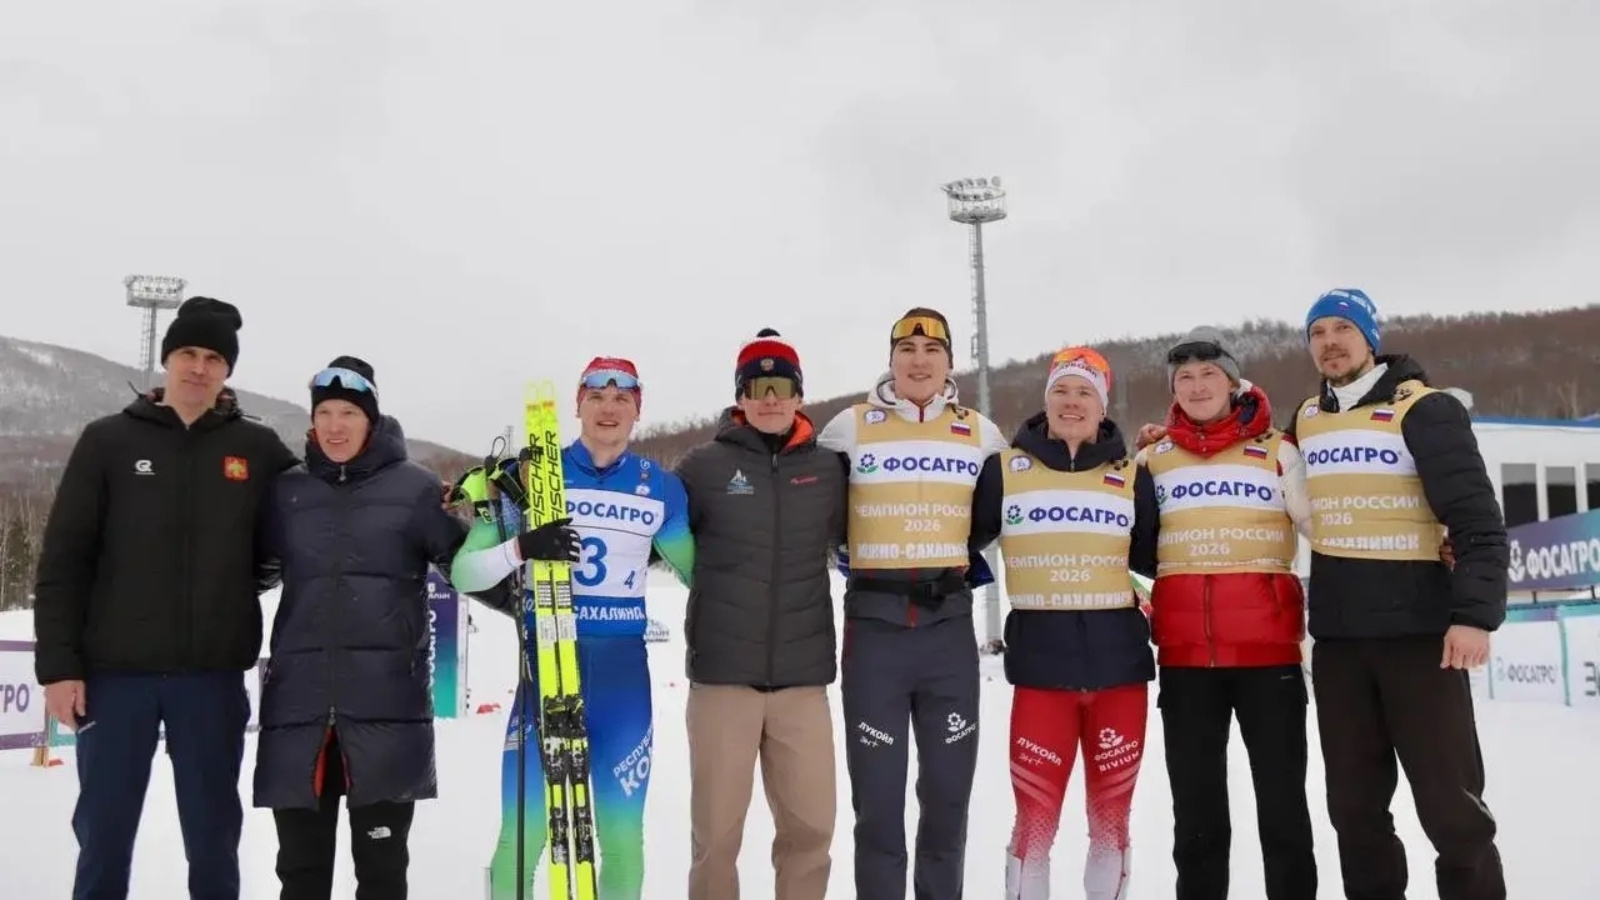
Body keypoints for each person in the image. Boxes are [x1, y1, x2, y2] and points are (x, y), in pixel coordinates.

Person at [32, 296, 297, 900]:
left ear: (227, 370)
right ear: (167, 359)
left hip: (210, 680)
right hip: (114, 678)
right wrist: (59, 668)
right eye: (188, 353)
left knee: (213, 837)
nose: (198, 368)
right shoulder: (107, 441)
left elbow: (320, 508)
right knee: (104, 835)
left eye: (213, 358)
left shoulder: (257, 450)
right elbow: (64, 562)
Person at [251, 357, 510, 899]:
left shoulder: (416, 490)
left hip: (386, 713)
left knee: (382, 876)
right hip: (299, 715)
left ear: (370, 418)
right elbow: (249, 575)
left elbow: (469, 569)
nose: (335, 425)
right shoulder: (287, 494)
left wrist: (531, 601)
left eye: (348, 412)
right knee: (299, 877)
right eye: (324, 412)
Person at [1289, 288, 1508, 900]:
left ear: (1370, 337)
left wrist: (1474, 615)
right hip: (1340, 644)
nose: (1329, 343)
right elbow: (1254, 461)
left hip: (1420, 639)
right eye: (1317, 333)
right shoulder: (1306, 418)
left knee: (1452, 811)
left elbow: (1477, 519)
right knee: (1354, 811)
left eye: (1342, 329)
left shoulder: (1426, 408)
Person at [450, 356, 695, 900]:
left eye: (622, 398)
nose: (609, 408)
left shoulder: (662, 488)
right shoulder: (531, 477)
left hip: (621, 684)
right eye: (597, 397)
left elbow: (697, 572)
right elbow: (465, 574)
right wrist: (520, 547)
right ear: (577, 405)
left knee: (623, 841)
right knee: (522, 837)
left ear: (637, 410)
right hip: (547, 671)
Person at [816, 308, 1009, 900]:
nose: (919, 362)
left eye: (932, 351)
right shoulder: (849, 428)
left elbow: (992, 516)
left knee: (948, 800)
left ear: (950, 362)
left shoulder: (981, 433)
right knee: (877, 806)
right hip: (875, 632)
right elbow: (814, 503)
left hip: (947, 632)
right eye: (908, 350)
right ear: (891, 360)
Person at [1133, 328, 1318, 900]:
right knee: (1197, 818)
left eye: (1208, 375)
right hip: (1186, 662)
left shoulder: (1278, 450)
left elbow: (1324, 526)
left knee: (1283, 810)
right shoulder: (1152, 459)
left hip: (1270, 659)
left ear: (1234, 382)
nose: (1196, 387)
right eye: (1184, 378)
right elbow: (1123, 544)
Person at [969, 347, 1159, 900]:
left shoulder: (1132, 475)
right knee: (1034, 825)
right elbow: (959, 541)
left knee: (1111, 825)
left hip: (1119, 675)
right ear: (1046, 400)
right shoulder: (1006, 471)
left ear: (1102, 406)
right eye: (1061, 391)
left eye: (1084, 393)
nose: (1071, 402)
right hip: (1041, 677)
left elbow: (1156, 562)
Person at [669, 329, 845, 900]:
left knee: (811, 830)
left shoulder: (830, 470)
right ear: (740, 397)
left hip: (803, 682)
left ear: (799, 395)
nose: (770, 399)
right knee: (717, 837)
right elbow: (644, 529)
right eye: (757, 387)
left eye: (781, 387)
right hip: (724, 681)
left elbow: (872, 530)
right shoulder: (702, 466)